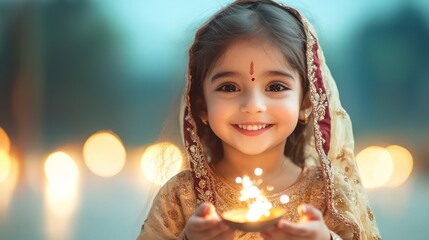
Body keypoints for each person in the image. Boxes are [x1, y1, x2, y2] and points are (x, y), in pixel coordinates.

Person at [137, 0, 381, 239]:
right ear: (200, 107)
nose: (253, 106)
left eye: (276, 86)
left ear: (307, 103)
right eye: (229, 87)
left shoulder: (330, 194)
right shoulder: (181, 196)